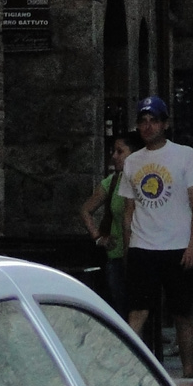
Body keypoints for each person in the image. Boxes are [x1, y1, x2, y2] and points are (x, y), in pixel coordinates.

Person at [120, 95, 193, 378]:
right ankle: (131, 371)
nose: (148, 127)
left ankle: (188, 374)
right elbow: (128, 209)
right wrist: (128, 248)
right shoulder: (132, 162)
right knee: (138, 312)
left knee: (182, 313)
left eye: (153, 121)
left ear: (165, 124)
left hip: (177, 246)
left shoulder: (184, 155)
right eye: (143, 122)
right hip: (143, 246)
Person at [80, 130, 137, 318]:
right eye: (114, 151)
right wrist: (98, 237)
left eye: (120, 151)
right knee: (121, 310)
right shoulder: (112, 182)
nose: (114, 156)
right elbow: (86, 210)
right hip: (118, 256)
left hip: (142, 255)